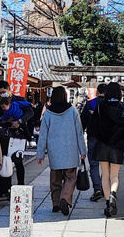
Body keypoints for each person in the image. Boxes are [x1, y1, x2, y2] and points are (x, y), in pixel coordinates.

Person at [34, 86, 86, 216]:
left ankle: (56, 203)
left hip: (54, 150)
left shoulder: (48, 114)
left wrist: (40, 154)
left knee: (55, 178)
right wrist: (82, 151)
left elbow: (43, 135)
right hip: (70, 149)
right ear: (65, 96)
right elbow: (79, 133)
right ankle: (65, 198)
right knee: (70, 177)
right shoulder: (73, 111)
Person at [90, 82, 124, 218]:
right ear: (119, 94)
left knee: (105, 174)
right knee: (114, 176)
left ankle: (109, 203)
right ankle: (114, 194)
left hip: (103, 145)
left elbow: (93, 127)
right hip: (117, 146)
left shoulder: (100, 107)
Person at [79, 84, 106, 201]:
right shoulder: (111, 104)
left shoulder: (91, 104)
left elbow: (82, 122)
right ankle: (106, 188)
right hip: (107, 139)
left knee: (94, 164)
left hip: (93, 137)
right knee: (106, 166)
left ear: (97, 92)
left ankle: (97, 189)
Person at [0, 97, 31, 185]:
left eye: (3, 91)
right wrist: (4, 121)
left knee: (18, 160)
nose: (2, 93)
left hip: (18, 135)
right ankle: (5, 186)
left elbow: (30, 112)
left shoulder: (18, 100)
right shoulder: (2, 106)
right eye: (0, 92)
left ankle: (21, 184)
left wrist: (19, 121)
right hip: (6, 134)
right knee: (5, 160)